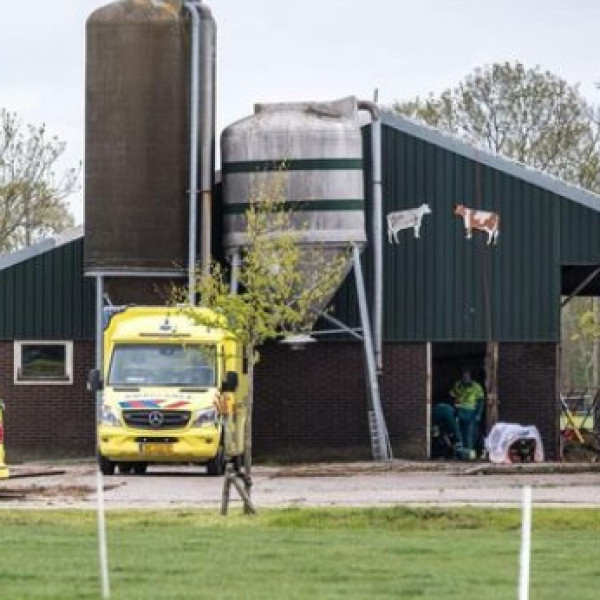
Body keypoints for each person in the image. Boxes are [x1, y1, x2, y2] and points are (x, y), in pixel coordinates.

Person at [449, 368, 485, 460]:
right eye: (463, 376)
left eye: (467, 376)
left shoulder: (476, 387)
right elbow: (452, 395)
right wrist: (454, 405)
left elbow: (480, 401)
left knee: (470, 434)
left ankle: (469, 454)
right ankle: (461, 454)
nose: (465, 378)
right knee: (459, 433)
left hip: (471, 412)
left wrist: (478, 414)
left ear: (470, 377)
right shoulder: (458, 384)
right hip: (459, 411)